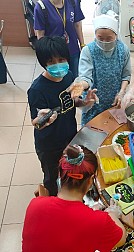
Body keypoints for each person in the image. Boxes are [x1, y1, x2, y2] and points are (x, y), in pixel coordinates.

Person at [22, 145, 127, 251]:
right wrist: (112, 214)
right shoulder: (98, 222)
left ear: (59, 174)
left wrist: (91, 214)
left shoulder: (35, 204)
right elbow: (122, 238)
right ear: (91, 181)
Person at [28, 36, 96, 196]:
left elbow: (74, 101)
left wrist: (85, 102)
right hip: (49, 145)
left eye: (61, 59)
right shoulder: (37, 90)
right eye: (51, 61)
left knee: (69, 170)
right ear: (43, 63)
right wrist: (43, 120)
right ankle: (50, 199)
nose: (57, 64)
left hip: (69, 135)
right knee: (52, 177)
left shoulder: (70, 76)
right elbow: (35, 122)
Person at [76, 10, 131, 125]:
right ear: (95, 34)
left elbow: (126, 75)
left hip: (115, 100)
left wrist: (121, 93)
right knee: (93, 132)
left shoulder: (123, 50)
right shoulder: (88, 51)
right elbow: (86, 77)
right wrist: (80, 86)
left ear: (116, 35)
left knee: (112, 131)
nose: (104, 42)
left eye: (109, 38)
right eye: (100, 38)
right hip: (93, 101)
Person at [34, 0, 85, 77]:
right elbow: (40, 35)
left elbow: (77, 24)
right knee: (58, 78)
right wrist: (45, 56)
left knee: (74, 76)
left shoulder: (73, 2)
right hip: (55, 54)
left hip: (72, 48)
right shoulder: (41, 6)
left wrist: (82, 44)